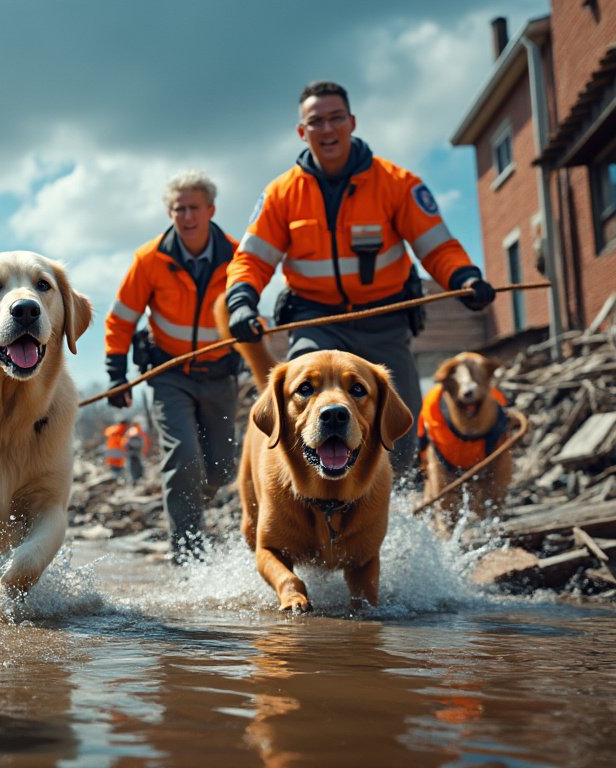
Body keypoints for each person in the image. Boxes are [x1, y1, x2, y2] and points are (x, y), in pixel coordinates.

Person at [225, 81, 496, 472]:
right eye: (316, 122)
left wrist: (464, 278)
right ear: (303, 132)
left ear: (352, 122)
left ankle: (394, 508)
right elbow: (251, 259)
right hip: (316, 320)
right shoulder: (281, 195)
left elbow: (437, 246)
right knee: (303, 406)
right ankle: (308, 510)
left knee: (398, 425)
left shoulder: (397, 184)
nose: (328, 129)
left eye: (336, 118)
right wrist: (240, 303)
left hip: (384, 322)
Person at [104, 170, 241, 557]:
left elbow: (248, 308)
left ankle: (193, 514)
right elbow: (121, 317)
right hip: (170, 376)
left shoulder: (236, 256)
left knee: (219, 468)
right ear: (169, 213)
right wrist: (117, 372)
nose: (186, 216)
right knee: (183, 459)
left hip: (220, 375)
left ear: (210, 209)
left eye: (194, 207)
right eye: (178, 209)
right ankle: (187, 553)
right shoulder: (149, 260)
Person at [103, 418, 130, 483]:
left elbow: (106, 432)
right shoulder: (122, 429)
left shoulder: (114, 429)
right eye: (127, 424)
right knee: (119, 470)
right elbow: (123, 442)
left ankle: (117, 482)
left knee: (115, 469)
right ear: (125, 424)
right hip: (117, 452)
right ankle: (119, 483)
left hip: (111, 451)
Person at [124, 420, 149, 486]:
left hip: (134, 453)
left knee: (134, 467)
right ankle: (136, 479)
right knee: (136, 466)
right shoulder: (137, 431)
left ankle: (136, 479)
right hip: (136, 453)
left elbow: (126, 443)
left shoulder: (132, 431)